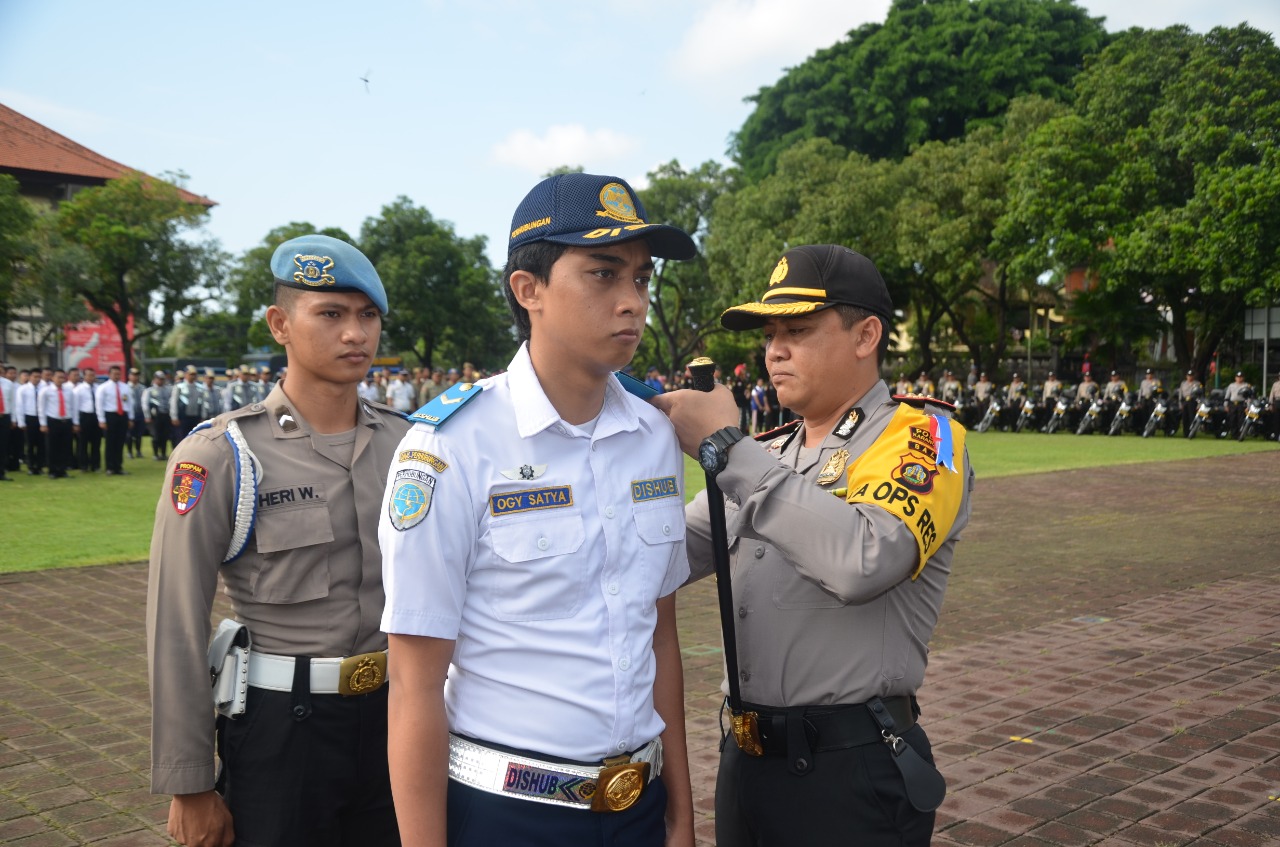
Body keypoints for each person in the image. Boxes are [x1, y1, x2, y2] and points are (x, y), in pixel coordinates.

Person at [379, 172, 697, 847]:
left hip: (639, 804)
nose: (632, 302)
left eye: (641, 279)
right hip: (510, 814)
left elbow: (659, 635)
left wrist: (682, 815)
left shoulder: (653, 438)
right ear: (530, 291)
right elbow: (413, 682)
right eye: (603, 274)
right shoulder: (450, 445)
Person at [652, 244, 973, 847]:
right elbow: (663, 550)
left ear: (866, 335)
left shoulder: (924, 437)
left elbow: (863, 559)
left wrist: (727, 449)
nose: (775, 350)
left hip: (850, 767)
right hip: (745, 762)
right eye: (771, 333)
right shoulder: (770, 452)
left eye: (798, 329)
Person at [146, 233, 409, 847]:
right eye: (332, 314)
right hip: (283, 728)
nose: (356, 334)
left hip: (398, 714)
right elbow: (175, 620)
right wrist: (190, 782)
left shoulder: (410, 446)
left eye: (367, 315)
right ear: (279, 324)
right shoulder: (221, 455)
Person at [38, 368, 80, 479]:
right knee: (52, 447)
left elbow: (74, 408)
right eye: (58, 377)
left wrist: (75, 423)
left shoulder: (69, 391)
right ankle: (52, 470)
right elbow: (41, 408)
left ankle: (62, 470)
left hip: (66, 421)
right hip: (53, 421)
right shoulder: (45, 391)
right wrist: (43, 423)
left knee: (65, 447)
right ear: (52, 378)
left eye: (63, 377)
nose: (61, 379)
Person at [97, 364, 134, 476]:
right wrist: (101, 420)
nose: (116, 376)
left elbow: (130, 403)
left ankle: (118, 466)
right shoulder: (103, 388)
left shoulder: (125, 387)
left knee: (120, 442)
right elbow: (99, 405)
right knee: (110, 442)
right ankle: (110, 467)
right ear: (109, 374)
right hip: (110, 415)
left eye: (118, 374)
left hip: (122, 416)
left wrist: (130, 418)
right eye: (114, 373)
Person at [170, 365, 210, 443]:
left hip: (195, 417)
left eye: (194, 374)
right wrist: (174, 416)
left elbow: (203, 403)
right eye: (190, 374)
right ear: (185, 374)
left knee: (195, 438)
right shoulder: (179, 387)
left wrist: (203, 416)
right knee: (181, 438)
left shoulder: (200, 387)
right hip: (183, 417)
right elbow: (173, 402)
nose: (193, 376)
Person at [75, 366, 101, 472]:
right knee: (83, 443)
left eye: (93, 375)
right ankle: (84, 465)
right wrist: (76, 422)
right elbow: (75, 407)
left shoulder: (98, 388)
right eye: (89, 375)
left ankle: (95, 465)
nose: (91, 377)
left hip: (96, 416)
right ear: (84, 376)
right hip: (84, 416)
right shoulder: (78, 390)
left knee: (96, 443)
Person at [143, 371, 173, 460]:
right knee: (156, 435)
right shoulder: (150, 390)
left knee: (165, 435)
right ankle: (156, 454)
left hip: (166, 415)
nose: (161, 381)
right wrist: (147, 416)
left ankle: (163, 453)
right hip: (155, 416)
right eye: (159, 379)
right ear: (155, 379)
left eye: (162, 379)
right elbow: (145, 404)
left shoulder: (168, 390)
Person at [1223, 371, 1252, 437]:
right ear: (1235, 378)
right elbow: (1227, 396)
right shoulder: (1231, 385)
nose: (1239, 379)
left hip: (1241, 404)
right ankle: (1233, 434)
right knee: (1232, 419)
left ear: (1243, 378)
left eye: (1241, 377)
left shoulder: (1246, 385)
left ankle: (1240, 434)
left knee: (1240, 419)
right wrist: (1225, 405)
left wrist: (1248, 406)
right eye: (1238, 377)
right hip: (1232, 404)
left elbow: (1249, 397)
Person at [126, 367, 146, 459]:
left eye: (136, 375)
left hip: (140, 413)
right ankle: (129, 452)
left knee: (139, 434)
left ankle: (138, 451)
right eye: (133, 375)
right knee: (129, 434)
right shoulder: (125, 387)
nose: (135, 377)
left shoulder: (142, 388)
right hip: (130, 414)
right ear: (129, 376)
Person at [1178, 370, 1202, 436]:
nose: (1190, 377)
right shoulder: (1183, 383)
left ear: (1193, 376)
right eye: (1189, 376)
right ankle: (1185, 433)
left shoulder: (1197, 383)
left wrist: (1199, 405)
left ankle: (1192, 433)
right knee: (1185, 418)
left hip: (1193, 401)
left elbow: (1200, 395)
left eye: (1191, 376)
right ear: (1186, 376)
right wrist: (1180, 404)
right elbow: (1180, 394)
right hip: (1185, 401)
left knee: (1192, 417)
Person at [0, 364, 13, 481]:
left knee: (3, 446)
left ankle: (1, 472)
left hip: (4, 417)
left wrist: (13, 419)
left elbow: (12, 402)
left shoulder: (8, 383)